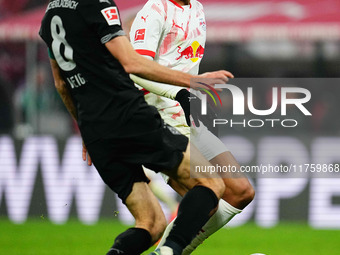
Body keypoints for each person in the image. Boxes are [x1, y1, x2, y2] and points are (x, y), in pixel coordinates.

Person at [39, 0, 232, 255]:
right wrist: (191, 82)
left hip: (94, 129)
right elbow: (132, 63)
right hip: (127, 115)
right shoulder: (97, 4)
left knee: (151, 223)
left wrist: (84, 127)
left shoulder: (50, 14)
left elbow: (62, 84)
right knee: (212, 184)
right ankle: (169, 252)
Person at [128, 0, 255, 253]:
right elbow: (134, 71)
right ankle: (169, 250)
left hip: (190, 117)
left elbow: (182, 66)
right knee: (207, 193)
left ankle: (167, 251)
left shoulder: (196, 9)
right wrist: (180, 93)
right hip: (160, 118)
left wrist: (197, 91)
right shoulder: (155, 10)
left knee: (241, 191)